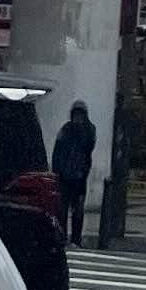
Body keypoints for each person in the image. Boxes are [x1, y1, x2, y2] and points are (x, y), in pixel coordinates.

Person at [50, 100, 96, 247]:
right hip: (68, 176)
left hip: (78, 177)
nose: (78, 118)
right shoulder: (69, 130)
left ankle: (74, 238)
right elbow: (57, 153)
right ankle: (65, 237)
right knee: (64, 210)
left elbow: (87, 150)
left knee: (76, 210)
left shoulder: (85, 130)